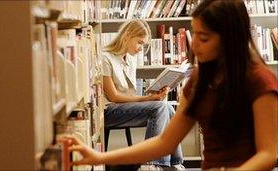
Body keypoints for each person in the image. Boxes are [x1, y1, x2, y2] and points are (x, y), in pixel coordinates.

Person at [68, 0, 277, 170]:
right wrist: (99, 158)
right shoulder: (198, 82)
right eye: (194, 34)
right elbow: (164, 142)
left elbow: (270, 153)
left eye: (203, 38)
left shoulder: (260, 81)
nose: (193, 45)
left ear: (231, 40)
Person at [101, 19, 184, 170]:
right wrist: (148, 99)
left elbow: (131, 94)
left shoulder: (130, 60)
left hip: (125, 108)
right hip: (109, 111)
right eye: (139, 42)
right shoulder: (105, 58)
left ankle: (175, 162)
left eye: (143, 45)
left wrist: (153, 94)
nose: (140, 48)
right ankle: (152, 163)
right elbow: (113, 97)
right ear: (127, 35)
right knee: (159, 108)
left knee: (168, 108)